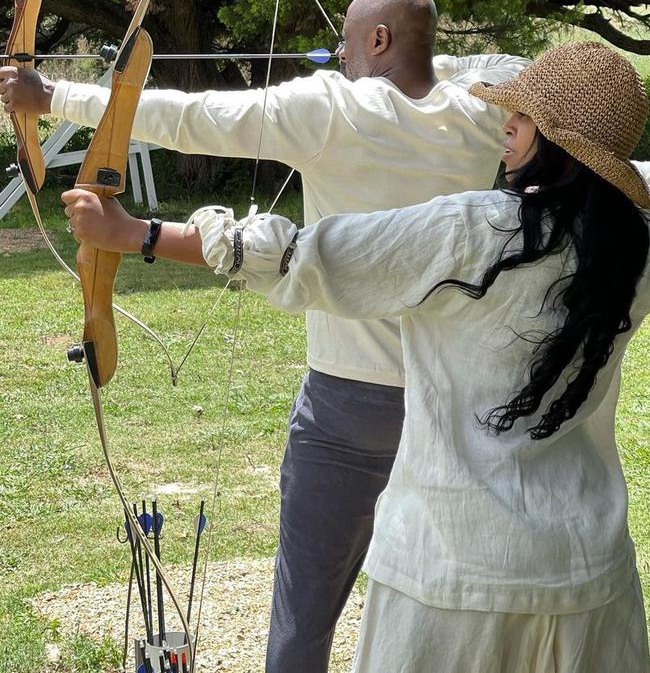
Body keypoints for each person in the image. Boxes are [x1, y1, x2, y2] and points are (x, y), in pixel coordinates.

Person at [57, 40, 650, 672]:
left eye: (527, 117)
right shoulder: (633, 245)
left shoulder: (472, 230)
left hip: (451, 574)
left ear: (561, 145)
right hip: (591, 575)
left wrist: (132, 234)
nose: (506, 123)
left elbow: (301, 256)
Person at [0, 0, 529, 672]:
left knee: (303, 622)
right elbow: (515, 77)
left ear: (377, 39)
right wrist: (433, 64)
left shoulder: (333, 108)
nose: (338, 55)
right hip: (453, 403)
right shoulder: (481, 117)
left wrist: (50, 97)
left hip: (347, 407)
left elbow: (188, 117)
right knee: (437, 616)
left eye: (348, 40)